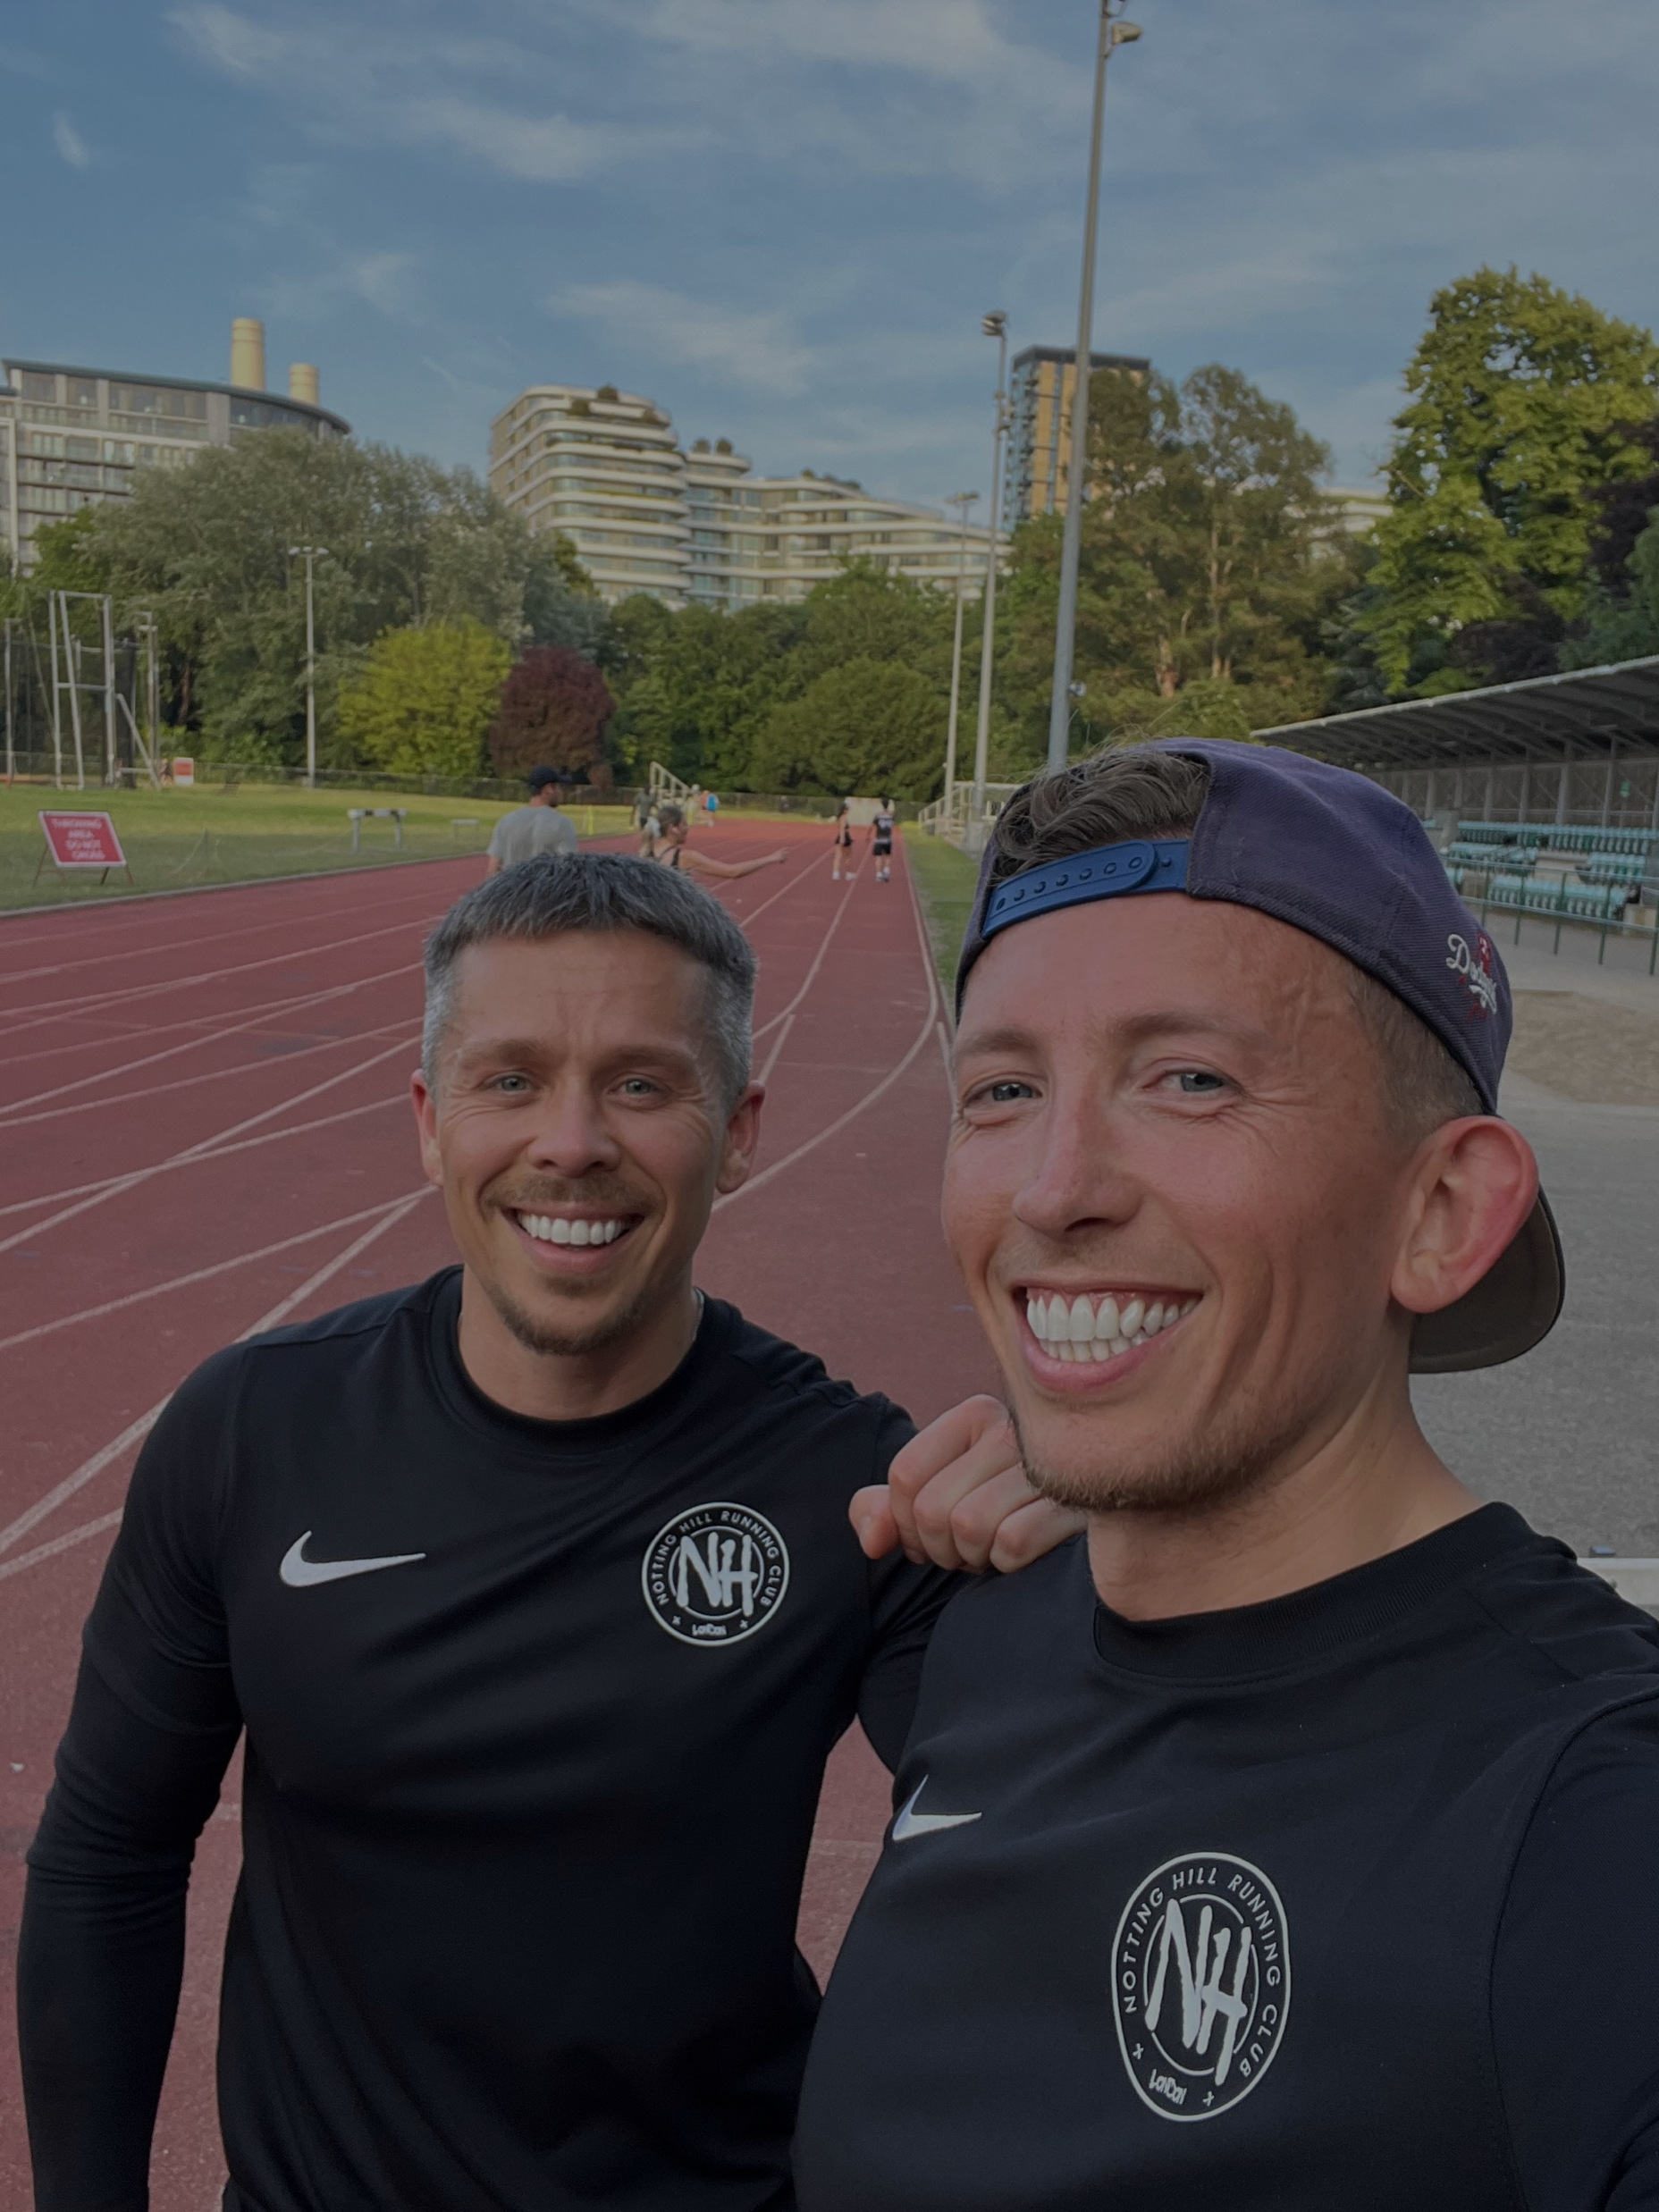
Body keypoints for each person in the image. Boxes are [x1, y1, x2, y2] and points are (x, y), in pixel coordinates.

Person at [19, 854, 1067, 2212]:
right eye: (508, 1078)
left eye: (642, 1082)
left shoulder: (858, 1489)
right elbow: (111, 1852)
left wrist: (1098, 1545)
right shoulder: (251, 1429)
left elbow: (1056, 1852)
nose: (570, 1140)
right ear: (428, 1118)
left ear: (740, 1128)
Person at [798, 741, 1659, 2211]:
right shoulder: (993, 1635)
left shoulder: (1596, 1819)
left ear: (1444, 1211)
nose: (1055, 1187)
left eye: (1189, 1080)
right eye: (1001, 1091)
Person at [653, 800, 787, 881]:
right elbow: (732, 871)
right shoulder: (685, 857)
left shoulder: (646, 852)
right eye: (684, 824)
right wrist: (771, 858)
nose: (688, 828)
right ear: (673, 829)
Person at [485, 765, 578, 874]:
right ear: (549, 789)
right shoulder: (562, 823)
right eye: (558, 787)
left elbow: (493, 869)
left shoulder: (505, 821)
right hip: (545, 889)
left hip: (512, 889)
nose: (560, 792)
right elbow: (570, 868)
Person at [867, 796, 895, 883]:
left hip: (879, 839)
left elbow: (872, 826)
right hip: (888, 839)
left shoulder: (878, 815)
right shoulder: (891, 815)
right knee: (888, 856)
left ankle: (879, 875)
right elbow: (891, 826)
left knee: (878, 857)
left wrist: (868, 835)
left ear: (882, 805)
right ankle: (886, 872)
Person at [830, 800, 854, 881]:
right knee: (847, 856)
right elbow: (842, 828)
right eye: (847, 809)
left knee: (838, 856)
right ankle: (848, 874)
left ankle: (835, 873)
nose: (848, 811)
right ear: (844, 810)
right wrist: (842, 838)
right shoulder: (843, 817)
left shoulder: (839, 817)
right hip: (844, 837)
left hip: (840, 836)